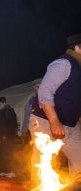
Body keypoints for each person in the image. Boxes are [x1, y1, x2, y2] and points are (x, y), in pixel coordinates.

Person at [29, 33, 81, 182]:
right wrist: (54, 120)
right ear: (77, 47)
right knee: (43, 163)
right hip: (45, 121)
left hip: (71, 126)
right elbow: (45, 91)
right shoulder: (64, 63)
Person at [0, 96, 18, 174]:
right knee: (1, 154)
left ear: (4, 103)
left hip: (8, 137)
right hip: (0, 137)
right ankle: (3, 170)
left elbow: (12, 125)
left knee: (8, 154)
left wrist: (5, 135)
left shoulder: (9, 111)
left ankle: (10, 171)